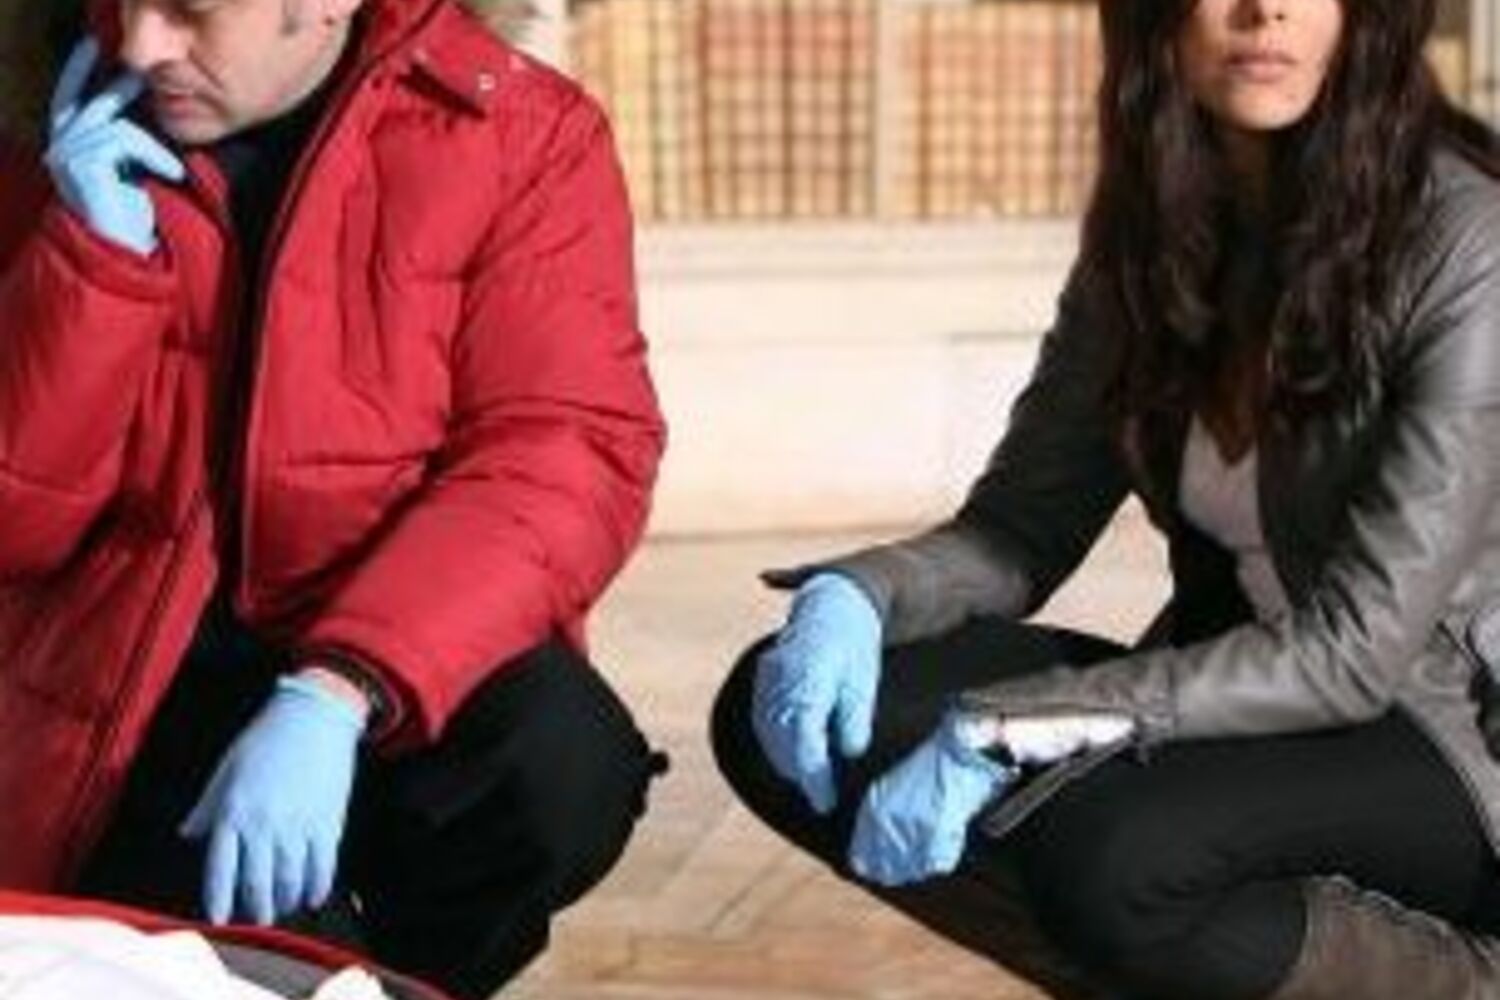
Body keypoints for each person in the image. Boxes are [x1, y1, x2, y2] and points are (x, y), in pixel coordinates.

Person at [713, 0, 1500, 997]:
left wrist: (1023, 723)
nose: (1264, 11)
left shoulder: (1465, 242)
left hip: (1442, 730)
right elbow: (1020, 530)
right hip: (1246, 686)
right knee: (788, 713)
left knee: (1120, 858)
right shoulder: (1152, 230)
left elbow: (1357, 652)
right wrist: (860, 595)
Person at [0, 0, 667, 996]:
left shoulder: (521, 136)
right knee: (257, 944)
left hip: (370, 674)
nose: (138, 45)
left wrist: (337, 690)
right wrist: (87, 269)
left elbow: (560, 453)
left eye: (187, 11)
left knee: (556, 761)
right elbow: (14, 530)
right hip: (125, 700)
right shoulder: (44, 132)